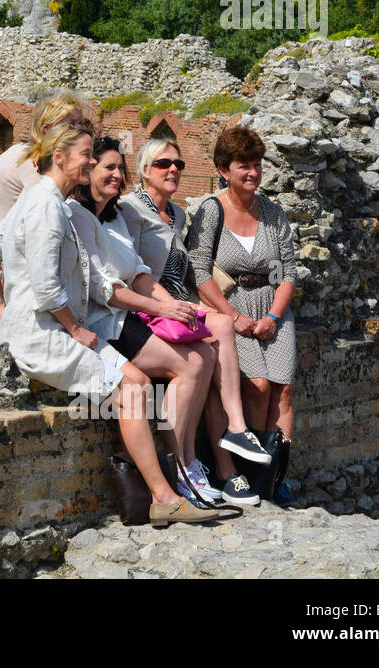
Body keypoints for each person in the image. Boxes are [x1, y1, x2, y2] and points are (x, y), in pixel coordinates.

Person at [0, 122, 218, 526]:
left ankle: (166, 490)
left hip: (64, 325)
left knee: (140, 383)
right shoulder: (48, 205)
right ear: (60, 157)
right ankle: (163, 494)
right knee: (132, 388)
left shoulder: (53, 201)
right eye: (87, 155)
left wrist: (0, 299)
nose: (92, 162)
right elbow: (43, 284)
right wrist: (9, 306)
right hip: (44, 335)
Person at [118, 137, 272, 506]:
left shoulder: (180, 214)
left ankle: (227, 439)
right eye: (162, 164)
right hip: (147, 312)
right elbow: (130, 272)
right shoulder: (130, 209)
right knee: (213, 339)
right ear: (143, 171)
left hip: (176, 309)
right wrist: (171, 306)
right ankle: (196, 459)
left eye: (178, 164)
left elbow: (189, 272)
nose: (173, 169)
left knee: (217, 334)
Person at [69, 136, 219, 508]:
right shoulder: (77, 215)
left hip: (127, 315)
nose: (117, 174)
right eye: (109, 167)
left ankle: (188, 461)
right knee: (190, 364)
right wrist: (163, 310)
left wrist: (174, 306)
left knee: (205, 352)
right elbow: (104, 289)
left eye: (120, 167)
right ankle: (179, 466)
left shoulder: (115, 215)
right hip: (102, 323)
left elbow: (137, 273)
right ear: (88, 172)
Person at [186, 126, 298, 499]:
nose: (252, 173)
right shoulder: (211, 210)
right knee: (257, 387)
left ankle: (273, 477)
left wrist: (274, 317)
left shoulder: (272, 213)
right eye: (243, 166)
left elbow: (286, 273)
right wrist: (234, 317)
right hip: (229, 307)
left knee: (281, 392)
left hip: (272, 309)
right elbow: (199, 272)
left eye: (256, 165)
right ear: (223, 169)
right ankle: (246, 471)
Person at [0, 88, 88, 328]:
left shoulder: (29, 156)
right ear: (46, 130)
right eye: (70, 125)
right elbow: (40, 222)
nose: (79, 131)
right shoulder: (32, 164)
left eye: (80, 124)